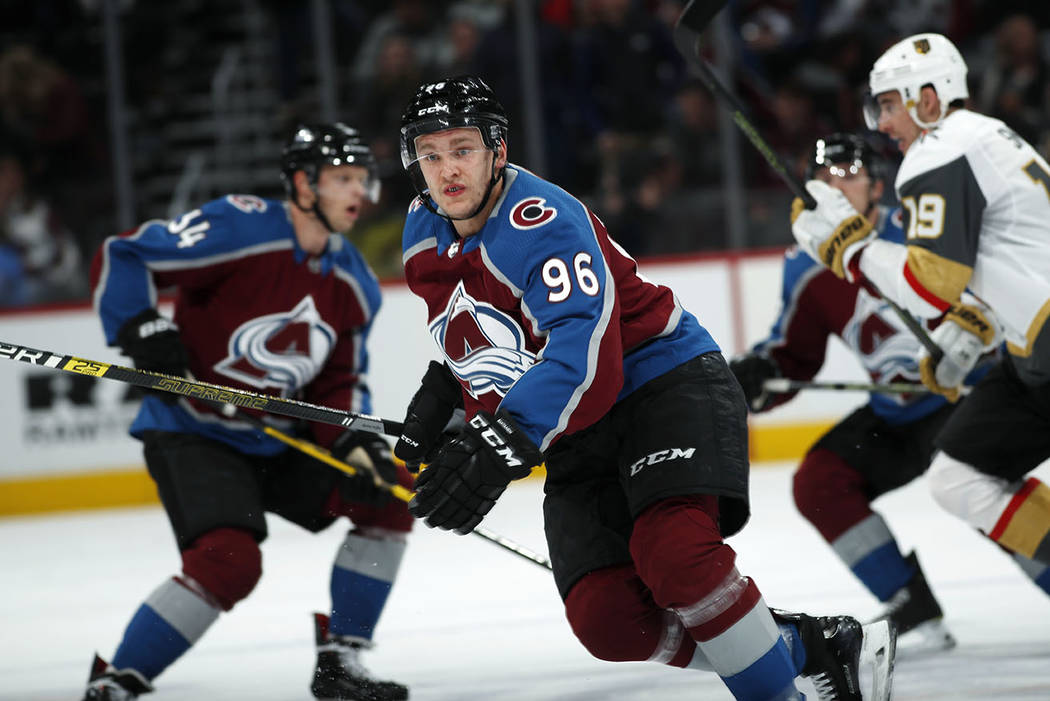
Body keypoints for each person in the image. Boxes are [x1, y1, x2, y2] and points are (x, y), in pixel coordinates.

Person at [390, 74, 894, 701]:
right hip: (579, 424)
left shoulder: (541, 222)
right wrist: (443, 401)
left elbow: (586, 360)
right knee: (608, 620)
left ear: (497, 149)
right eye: (430, 154)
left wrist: (501, 443)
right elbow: (478, 328)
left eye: (462, 149)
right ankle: (807, 646)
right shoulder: (421, 229)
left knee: (676, 557)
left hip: (662, 385)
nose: (447, 171)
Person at [82, 123, 413, 701]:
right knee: (229, 563)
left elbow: (340, 381)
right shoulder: (241, 226)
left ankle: (342, 661)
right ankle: (116, 682)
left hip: (277, 438)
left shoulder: (354, 283)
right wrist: (141, 324)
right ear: (304, 185)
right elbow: (124, 254)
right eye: (341, 179)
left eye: (361, 179)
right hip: (194, 431)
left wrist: (354, 440)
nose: (356, 192)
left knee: (388, 496)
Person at [733, 131, 1050, 656]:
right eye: (824, 177)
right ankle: (912, 603)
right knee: (819, 482)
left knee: (980, 492)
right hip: (896, 416)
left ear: (877, 186)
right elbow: (794, 352)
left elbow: (988, 302)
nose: (835, 185)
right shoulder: (805, 264)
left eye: (848, 174)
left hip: (964, 398)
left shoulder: (921, 231)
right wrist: (761, 372)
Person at [791, 34, 1050, 602]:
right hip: (1032, 348)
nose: (882, 123)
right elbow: (995, 262)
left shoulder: (943, 148)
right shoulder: (984, 137)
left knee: (966, 478)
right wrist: (968, 326)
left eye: (887, 104)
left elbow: (932, 283)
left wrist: (850, 248)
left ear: (928, 99)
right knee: (960, 477)